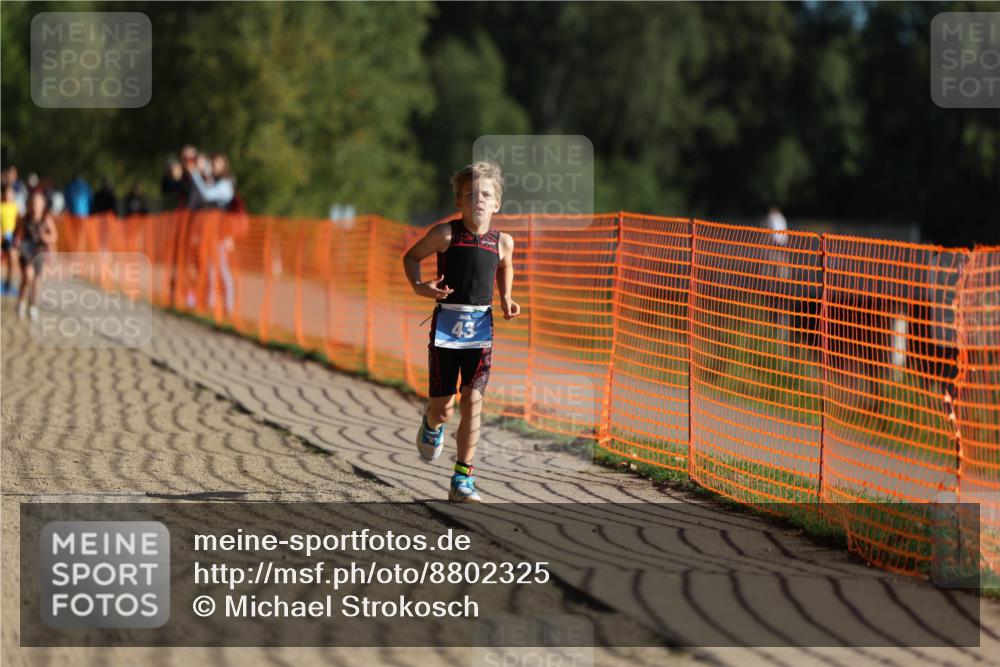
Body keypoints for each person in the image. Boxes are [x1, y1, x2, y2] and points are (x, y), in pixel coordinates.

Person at [401, 161, 520, 503]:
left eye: (485, 194)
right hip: (446, 331)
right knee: (444, 407)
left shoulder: (503, 242)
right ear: (459, 201)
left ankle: (462, 478)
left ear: (497, 202)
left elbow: (505, 266)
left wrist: (507, 296)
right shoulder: (446, 235)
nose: (478, 200)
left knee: (474, 401)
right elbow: (411, 258)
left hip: (481, 331)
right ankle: (431, 424)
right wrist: (420, 287)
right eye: (470, 194)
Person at [15, 189, 58, 321]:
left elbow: (54, 236)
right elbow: (19, 234)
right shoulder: (25, 218)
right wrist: (17, 242)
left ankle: (33, 305)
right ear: (29, 204)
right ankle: (21, 302)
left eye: (38, 203)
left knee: (36, 281)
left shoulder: (46, 219)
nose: (35, 206)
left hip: (39, 252)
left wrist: (45, 237)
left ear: (43, 205)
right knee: (27, 277)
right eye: (33, 203)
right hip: (26, 250)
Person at [1, 185, 19, 294]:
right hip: (1, 237)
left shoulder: (15, 208)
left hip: (11, 238)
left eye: (10, 193)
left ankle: (8, 283)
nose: (8, 196)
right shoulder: (1, 207)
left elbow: (19, 223)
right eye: (6, 193)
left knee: (12, 259)